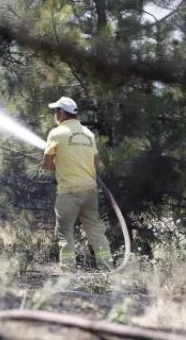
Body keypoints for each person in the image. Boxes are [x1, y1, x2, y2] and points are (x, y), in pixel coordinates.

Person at [42, 96, 112, 272]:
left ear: (63, 113)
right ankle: (107, 268)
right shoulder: (88, 134)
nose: (55, 114)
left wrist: (62, 160)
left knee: (65, 234)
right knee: (96, 233)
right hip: (90, 192)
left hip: (68, 193)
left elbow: (47, 165)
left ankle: (68, 272)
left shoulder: (56, 134)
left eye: (56, 111)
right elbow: (96, 164)